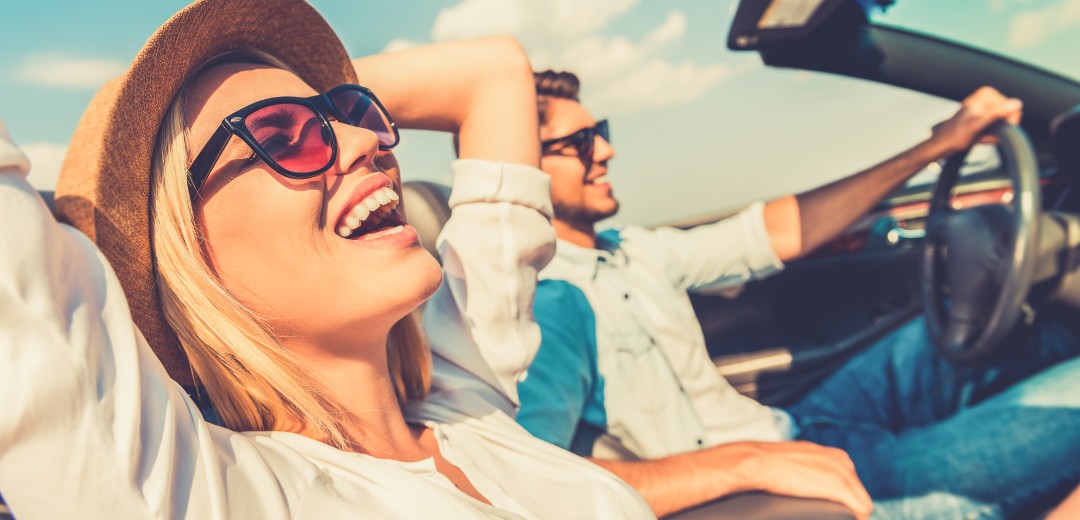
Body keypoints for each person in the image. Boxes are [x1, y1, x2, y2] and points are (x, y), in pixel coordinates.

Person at [0, 2, 655, 518]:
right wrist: (140, 143)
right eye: (282, 134)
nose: (369, 139)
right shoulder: (215, 494)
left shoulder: (466, 395)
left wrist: (313, 96)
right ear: (187, 253)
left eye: (351, 110)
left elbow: (494, 71)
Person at [514, 70, 1080, 518]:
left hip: (802, 425)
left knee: (980, 322)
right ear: (523, 167)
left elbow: (778, 231)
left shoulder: (631, 250)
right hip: (791, 493)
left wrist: (935, 147)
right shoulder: (547, 304)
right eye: (579, 143)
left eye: (602, 133)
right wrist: (743, 465)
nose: (606, 153)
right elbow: (541, 486)